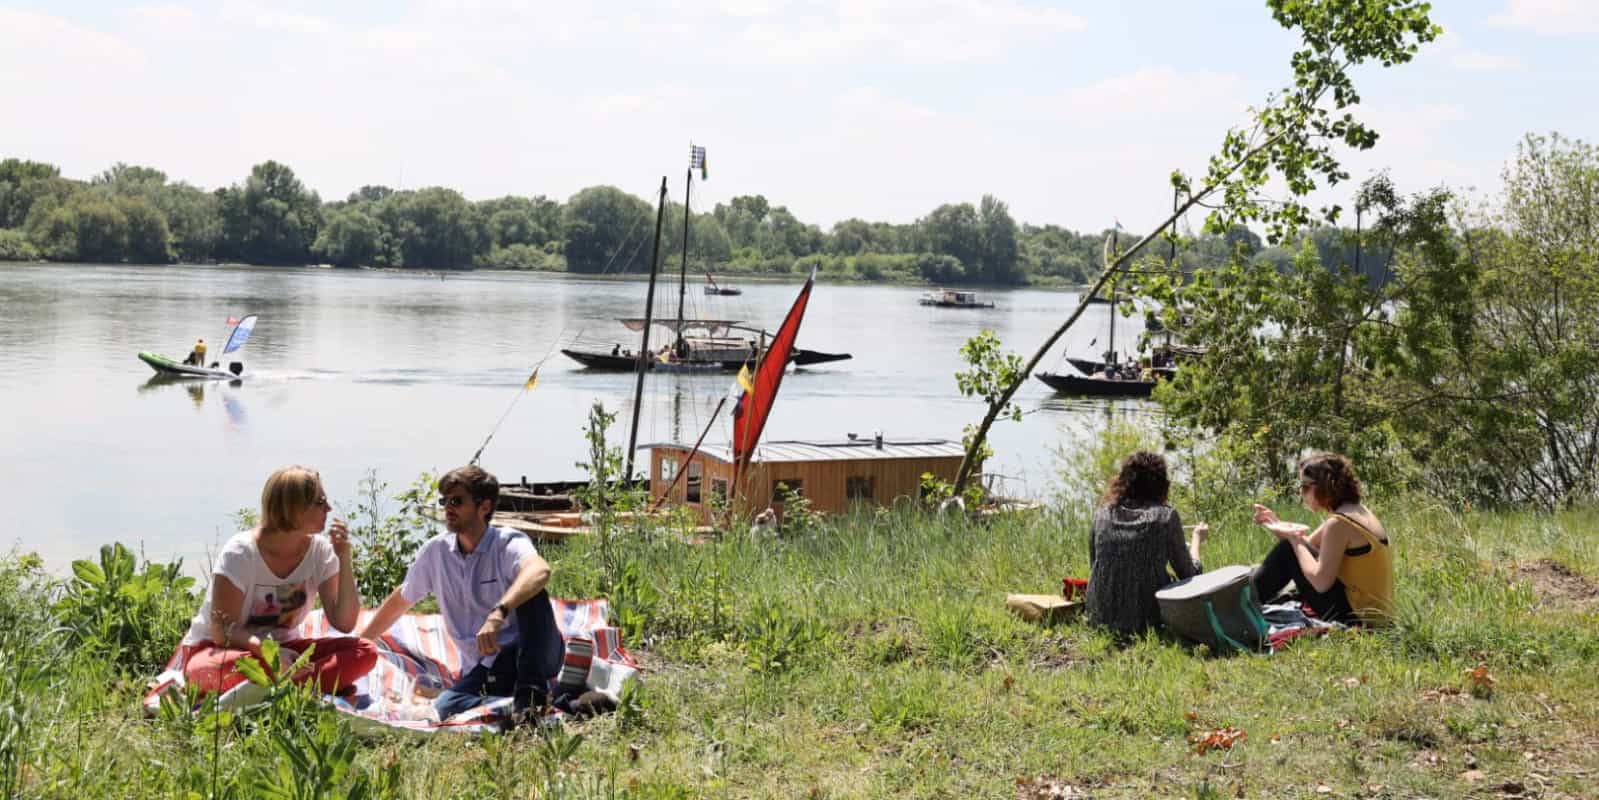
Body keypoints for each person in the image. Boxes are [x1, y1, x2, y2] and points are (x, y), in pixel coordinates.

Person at [359, 465, 563, 722]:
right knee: (445, 707)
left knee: (533, 591)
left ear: (484, 507)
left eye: (457, 501)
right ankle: (537, 701)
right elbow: (403, 598)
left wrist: (499, 612)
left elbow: (540, 570)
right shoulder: (436, 552)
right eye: (445, 501)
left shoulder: (507, 543)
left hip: (535, 652)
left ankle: (529, 699)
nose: (447, 508)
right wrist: (360, 643)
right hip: (488, 666)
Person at [179, 466, 376, 697]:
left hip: (287, 653)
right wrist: (267, 652)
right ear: (294, 508)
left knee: (365, 651)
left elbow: (344, 623)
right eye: (320, 502)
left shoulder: (320, 552)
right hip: (224, 650)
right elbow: (222, 630)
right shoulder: (240, 553)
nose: (329, 509)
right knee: (213, 669)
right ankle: (308, 687)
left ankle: (271, 690)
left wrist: (344, 558)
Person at [1251, 453, 1393, 625]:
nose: (1301, 493)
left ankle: (1244, 605)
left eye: (1304, 487)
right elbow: (1306, 548)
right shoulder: (1354, 511)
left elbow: (1321, 583)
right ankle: (1246, 601)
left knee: (1287, 549)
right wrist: (1275, 523)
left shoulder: (1339, 524)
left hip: (1358, 618)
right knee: (1289, 549)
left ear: (1324, 486)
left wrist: (1294, 540)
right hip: (1369, 612)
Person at [1084, 451, 1208, 637]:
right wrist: (1197, 539)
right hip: (1147, 621)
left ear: (1122, 480)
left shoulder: (1102, 514)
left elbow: (1095, 566)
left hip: (1099, 618)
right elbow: (1189, 575)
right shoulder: (1166, 516)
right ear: (1161, 484)